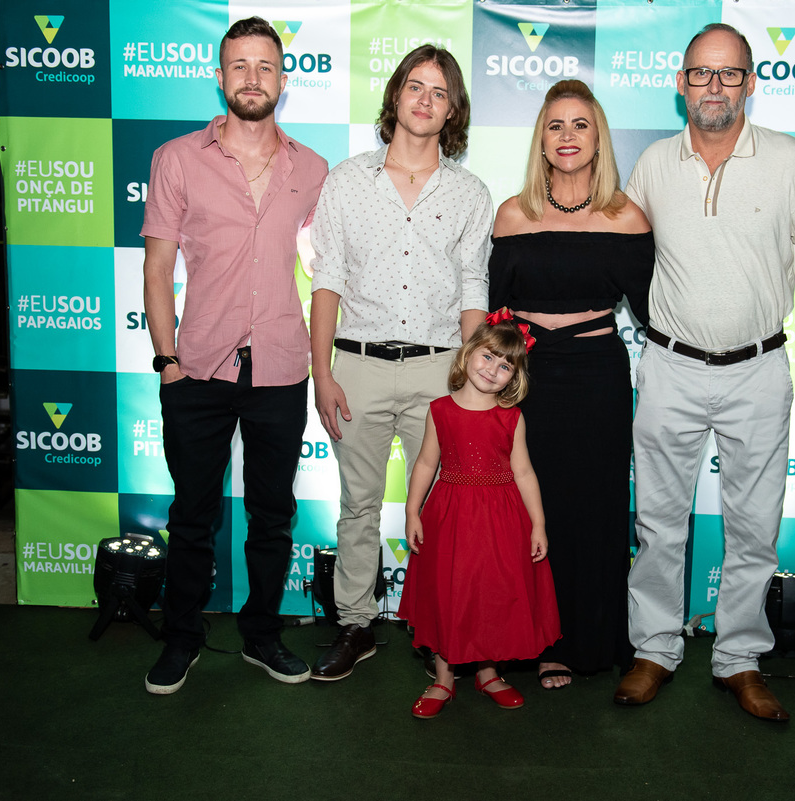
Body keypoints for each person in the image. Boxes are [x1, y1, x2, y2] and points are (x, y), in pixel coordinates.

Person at [614, 23, 795, 720]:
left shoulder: (789, 159)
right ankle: (655, 648)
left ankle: (740, 658)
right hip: (669, 365)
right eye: (700, 73)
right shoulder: (652, 163)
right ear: (680, 84)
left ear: (750, 82)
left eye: (728, 73)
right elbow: (618, 253)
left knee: (754, 528)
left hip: (759, 369)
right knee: (658, 523)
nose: (713, 86)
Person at [139, 17, 328, 695]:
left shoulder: (313, 169)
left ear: (283, 79)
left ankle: (262, 634)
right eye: (239, 66)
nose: (252, 78)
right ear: (220, 77)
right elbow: (156, 268)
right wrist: (167, 360)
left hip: (281, 365)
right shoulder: (176, 159)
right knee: (193, 515)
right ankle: (182, 637)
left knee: (272, 516)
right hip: (197, 367)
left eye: (265, 66)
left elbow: (327, 269)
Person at [308, 45, 494, 681]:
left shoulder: (470, 193)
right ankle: (355, 625)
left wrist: (473, 385)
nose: (425, 100)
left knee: (441, 505)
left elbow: (473, 289)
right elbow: (326, 281)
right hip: (356, 365)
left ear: (452, 111)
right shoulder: (346, 180)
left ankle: (437, 631)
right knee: (358, 504)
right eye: (416, 86)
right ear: (395, 95)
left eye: (439, 93)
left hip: (439, 370)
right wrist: (323, 373)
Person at [489, 80, 653, 689]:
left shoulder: (626, 216)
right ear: (540, 139)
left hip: (596, 378)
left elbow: (656, 313)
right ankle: (522, 640)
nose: (567, 136)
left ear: (598, 138)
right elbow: (493, 314)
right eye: (555, 125)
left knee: (592, 509)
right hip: (525, 380)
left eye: (580, 125)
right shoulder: (512, 213)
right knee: (523, 508)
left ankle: (582, 643)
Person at [397, 311, 560, 718]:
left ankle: (488, 674)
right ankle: (443, 680)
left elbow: (524, 472)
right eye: (488, 356)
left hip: (501, 521)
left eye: (505, 366)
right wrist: (412, 511)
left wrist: (538, 524)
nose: (493, 369)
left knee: (490, 594)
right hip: (449, 518)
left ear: (514, 377)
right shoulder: (440, 410)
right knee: (448, 594)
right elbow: (425, 463)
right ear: (468, 353)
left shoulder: (512, 417)